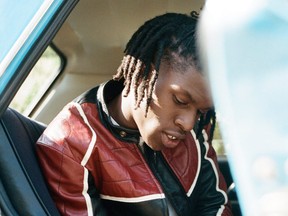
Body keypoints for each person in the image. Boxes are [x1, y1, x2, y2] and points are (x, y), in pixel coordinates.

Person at [36, 11, 232, 216]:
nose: (189, 123)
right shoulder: (71, 144)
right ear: (145, 74)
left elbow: (216, 205)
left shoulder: (198, 127)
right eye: (180, 101)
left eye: (201, 112)